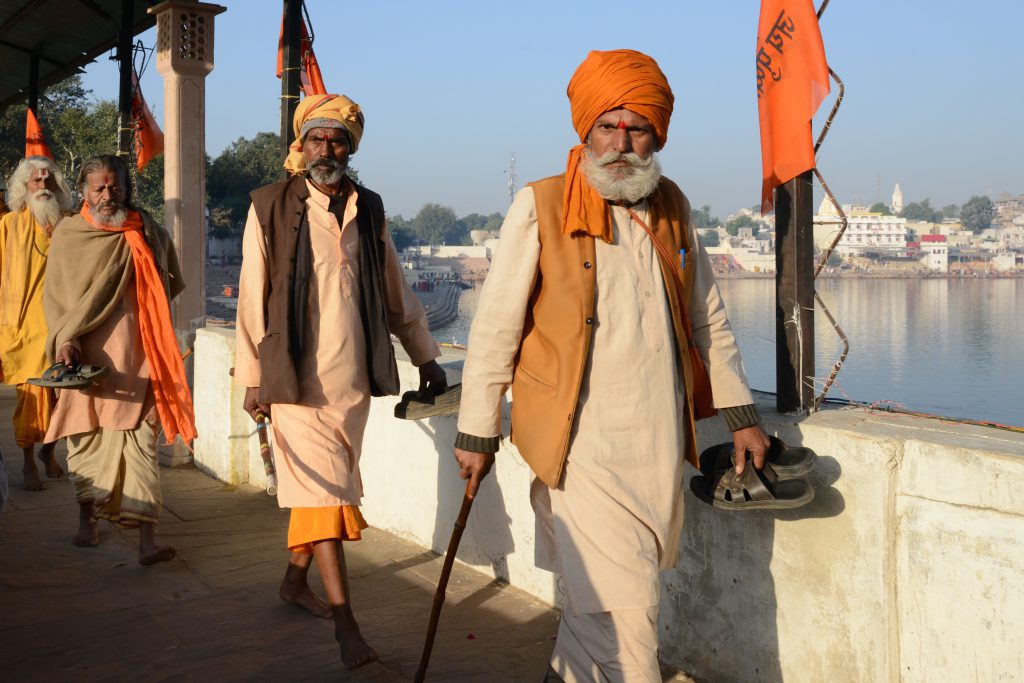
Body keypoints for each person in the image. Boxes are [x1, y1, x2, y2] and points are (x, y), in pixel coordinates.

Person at [453, 49, 771, 682]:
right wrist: (476, 430)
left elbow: (707, 317)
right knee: (628, 616)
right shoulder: (541, 204)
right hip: (578, 447)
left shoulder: (672, 207)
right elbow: (496, 329)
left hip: (655, 445)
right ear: (585, 131)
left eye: (637, 128)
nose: (621, 142)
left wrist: (741, 416)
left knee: (600, 607)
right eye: (608, 126)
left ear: (657, 135)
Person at [235, 93, 446, 669]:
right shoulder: (269, 206)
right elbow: (252, 300)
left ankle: (292, 583)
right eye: (317, 138)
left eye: (337, 140)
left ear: (350, 148)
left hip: (353, 382)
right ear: (300, 146)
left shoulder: (369, 209)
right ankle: (346, 625)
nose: (325, 149)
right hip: (293, 381)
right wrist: (252, 377)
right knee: (327, 496)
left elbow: (396, 291)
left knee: (320, 495)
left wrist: (425, 356)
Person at [43, 154, 193, 566]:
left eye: (115, 187)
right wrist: (65, 340)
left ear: (126, 189)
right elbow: (57, 300)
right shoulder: (70, 235)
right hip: (88, 360)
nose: (108, 195)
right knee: (86, 439)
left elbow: (169, 282)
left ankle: (148, 541)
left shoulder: (148, 232)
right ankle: (87, 522)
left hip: (143, 356)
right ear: (84, 192)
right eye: (99, 188)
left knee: (142, 444)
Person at [0, 156, 73, 490]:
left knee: (60, 394)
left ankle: (49, 451)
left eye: (48, 181)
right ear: (23, 187)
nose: (43, 187)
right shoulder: (8, 225)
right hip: (23, 325)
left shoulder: (69, 224)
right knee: (30, 396)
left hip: (61, 324)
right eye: (36, 182)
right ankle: (29, 463)